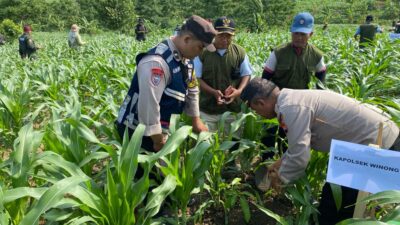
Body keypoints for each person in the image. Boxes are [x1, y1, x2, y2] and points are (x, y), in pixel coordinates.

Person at [241, 78, 400, 225]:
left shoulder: (291, 108)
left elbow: (300, 157)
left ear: (261, 102)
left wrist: (280, 180)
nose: (258, 114)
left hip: (377, 144)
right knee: (338, 201)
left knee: (336, 208)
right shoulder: (291, 98)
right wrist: (278, 163)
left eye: (256, 110)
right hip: (374, 138)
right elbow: (300, 144)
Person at [116, 15, 217, 152]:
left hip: (161, 129)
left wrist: (196, 120)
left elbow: (193, 90)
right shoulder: (156, 63)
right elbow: (148, 107)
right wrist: (158, 140)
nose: (201, 53)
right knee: (144, 172)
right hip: (138, 133)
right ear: (187, 39)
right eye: (200, 47)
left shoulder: (186, 60)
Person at [260, 12, 327, 160]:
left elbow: (321, 77)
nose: (298, 37)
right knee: (269, 134)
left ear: (311, 34)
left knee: (289, 135)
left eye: (303, 34)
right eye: (296, 33)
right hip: (275, 101)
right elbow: (265, 78)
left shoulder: (316, 55)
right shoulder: (278, 52)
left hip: (297, 105)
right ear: (291, 32)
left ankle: (284, 165)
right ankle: (265, 162)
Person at [194, 16, 251, 133]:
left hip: (232, 109)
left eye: (228, 36)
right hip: (207, 109)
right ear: (214, 34)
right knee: (205, 145)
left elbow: (246, 75)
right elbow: (197, 79)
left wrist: (238, 91)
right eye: (221, 35)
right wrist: (213, 92)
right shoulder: (203, 52)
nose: (225, 39)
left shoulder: (239, 52)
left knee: (232, 144)